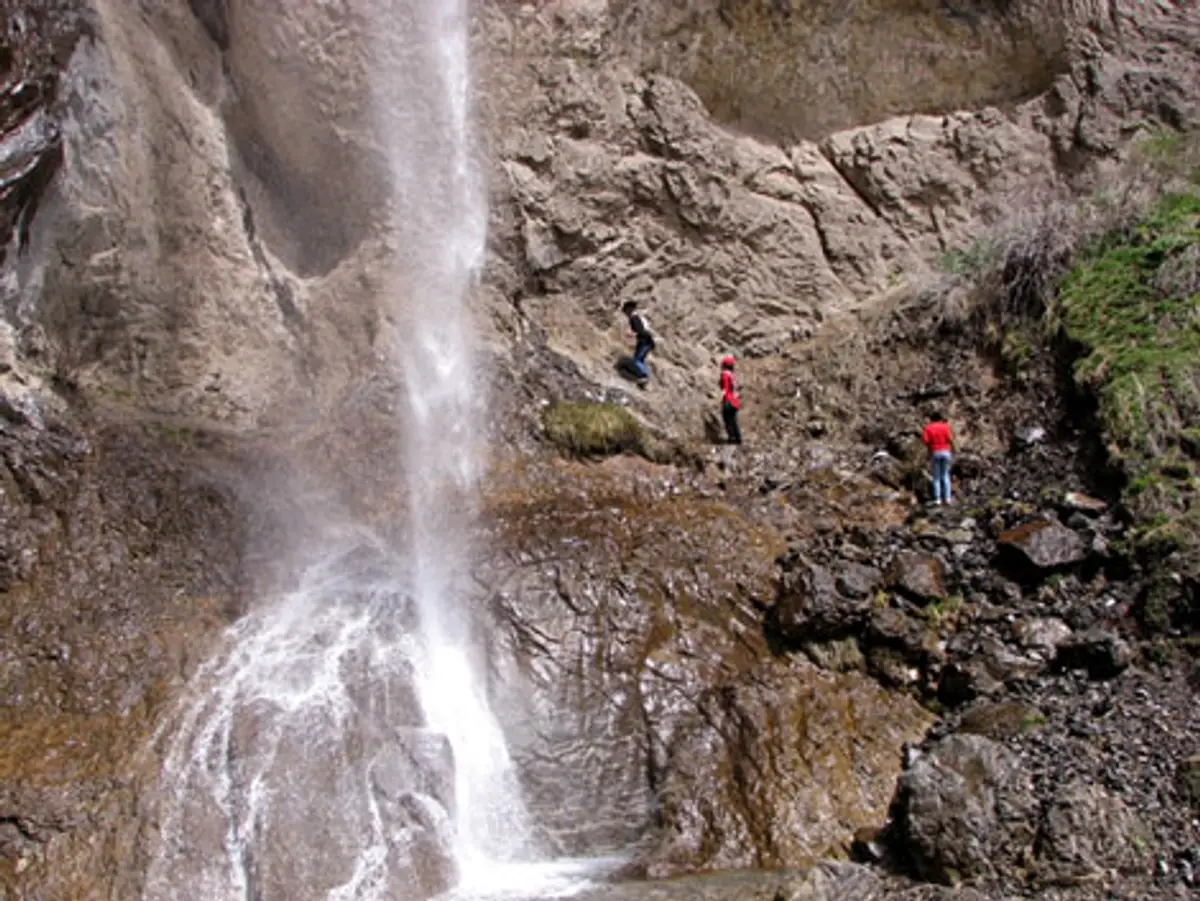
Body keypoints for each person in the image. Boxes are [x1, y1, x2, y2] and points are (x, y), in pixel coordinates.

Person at [922, 411, 954, 505]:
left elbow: (926, 441)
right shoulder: (945, 426)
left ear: (931, 419)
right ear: (940, 418)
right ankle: (948, 498)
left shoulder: (928, 428)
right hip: (946, 451)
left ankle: (938, 499)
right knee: (945, 475)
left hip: (935, 452)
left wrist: (929, 452)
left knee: (936, 477)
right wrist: (953, 449)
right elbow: (950, 439)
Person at [621, 300, 655, 386]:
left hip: (645, 340)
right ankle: (644, 377)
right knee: (640, 359)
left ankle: (644, 376)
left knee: (637, 360)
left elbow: (640, 330)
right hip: (647, 340)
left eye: (626, 311)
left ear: (629, 309)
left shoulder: (634, 318)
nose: (626, 314)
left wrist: (632, 334)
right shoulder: (639, 317)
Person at [720, 354, 741, 445]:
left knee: (727, 419)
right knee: (733, 419)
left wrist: (721, 398)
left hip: (728, 400)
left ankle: (731, 437)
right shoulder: (733, 375)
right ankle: (737, 437)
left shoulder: (725, 374)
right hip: (735, 401)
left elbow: (725, 388)